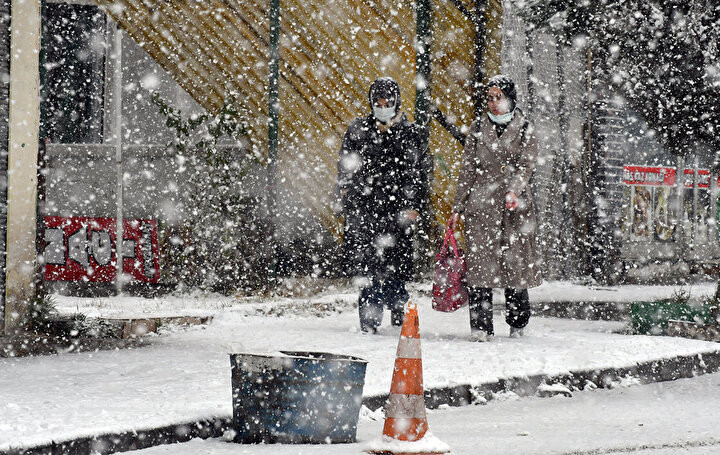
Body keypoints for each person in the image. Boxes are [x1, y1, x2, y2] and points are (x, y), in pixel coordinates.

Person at [448, 74, 542, 342]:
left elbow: (526, 164)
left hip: (515, 205)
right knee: (480, 269)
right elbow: (467, 170)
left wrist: (514, 189)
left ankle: (518, 323)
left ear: (511, 99)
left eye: (498, 97)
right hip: (481, 206)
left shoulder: (525, 128)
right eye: (489, 97)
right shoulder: (478, 128)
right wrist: (458, 207)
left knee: (515, 267)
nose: (493, 103)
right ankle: (480, 327)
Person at [334, 77, 429, 333]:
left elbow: (417, 172)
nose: (382, 105)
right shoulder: (359, 129)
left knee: (395, 270)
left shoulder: (409, 132)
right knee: (368, 270)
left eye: (387, 101)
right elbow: (345, 165)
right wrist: (345, 196)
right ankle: (370, 323)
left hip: (397, 212)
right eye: (378, 101)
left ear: (396, 101)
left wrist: (413, 205)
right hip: (364, 210)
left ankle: (401, 319)